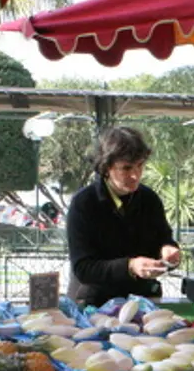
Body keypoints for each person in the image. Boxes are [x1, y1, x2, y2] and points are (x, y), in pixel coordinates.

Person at [65, 127, 180, 306]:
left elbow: (164, 239)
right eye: (126, 168)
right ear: (106, 167)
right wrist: (130, 266)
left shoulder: (150, 199)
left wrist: (168, 250)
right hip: (92, 305)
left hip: (143, 303)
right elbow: (82, 268)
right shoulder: (83, 204)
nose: (135, 175)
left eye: (140, 165)